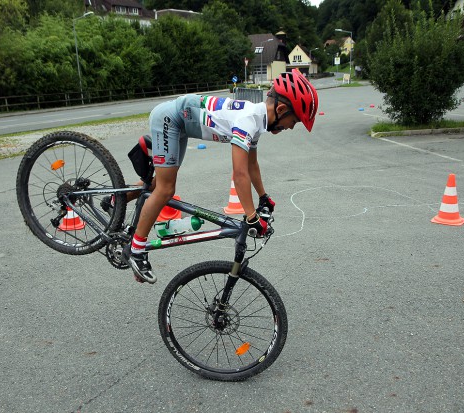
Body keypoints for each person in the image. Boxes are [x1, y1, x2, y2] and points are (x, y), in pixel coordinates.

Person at [123, 69, 318, 284]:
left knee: (158, 183)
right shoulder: (249, 120)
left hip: (181, 123)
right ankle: (137, 249)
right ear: (281, 109)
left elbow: (252, 164)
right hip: (171, 118)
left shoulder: (256, 121)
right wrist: (252, 216)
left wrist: (263, 196)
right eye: (295, 121)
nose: (291, 127)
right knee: (166, 189)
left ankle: (117, 200)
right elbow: (240, 172)